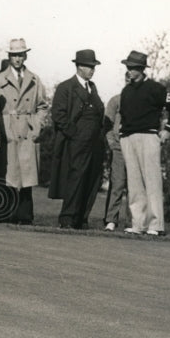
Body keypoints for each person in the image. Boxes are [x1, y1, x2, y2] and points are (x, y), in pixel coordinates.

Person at [118, 50, 170, 236]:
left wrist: (168, 129)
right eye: (128, 67)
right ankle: (138, 224)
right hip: (128, 137)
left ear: (141, 69)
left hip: (148, 137)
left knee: (152, 182)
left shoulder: (156, 88)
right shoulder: (126, 90)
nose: (129, 71)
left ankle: (156, 225)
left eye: (132, 68)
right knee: (134, 183)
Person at [48, 49, 106, 230]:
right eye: (89, 66)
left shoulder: (92, 88)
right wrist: (74, 134)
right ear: (79, 66)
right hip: (76, 142)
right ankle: (67, 219)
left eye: (93, 66)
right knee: (75, 179)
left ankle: (81, 219)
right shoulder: (66, 87)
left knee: (91, 180)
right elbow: (58, 115)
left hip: (94, 143)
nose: (92, 70)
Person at [0, 38, 49, 224]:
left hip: (27, 129)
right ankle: (4, 214)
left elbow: (42, 105)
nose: (17, 58)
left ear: (25, 56)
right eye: (14, 55)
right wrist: (0, 128)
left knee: (27, 175)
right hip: (8, 130)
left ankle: (25, 216)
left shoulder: (34, 79)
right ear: (9, 56)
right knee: (8, 174)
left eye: (20, 54)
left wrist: (36, 126)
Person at [102, 93, 128, 231]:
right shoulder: (116, 100)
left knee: (135, 187)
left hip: (135, 147)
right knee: (117, 183)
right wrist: (112, 143)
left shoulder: (143, 99)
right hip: (119, 148)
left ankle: (132, 223)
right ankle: (111, 220)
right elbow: (107, 123)